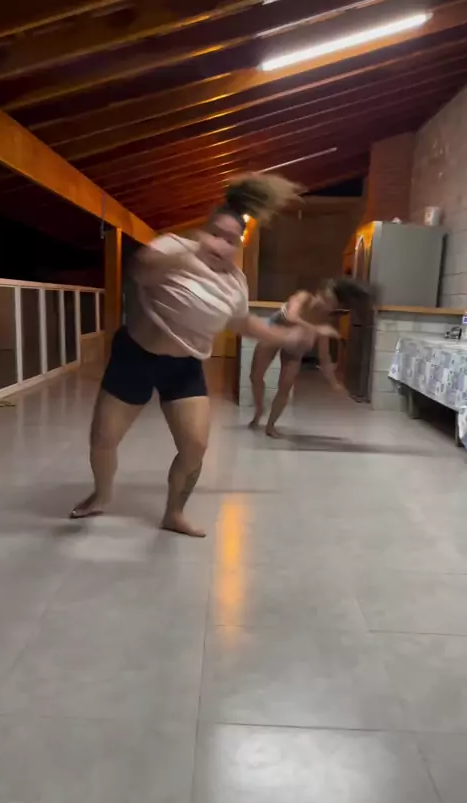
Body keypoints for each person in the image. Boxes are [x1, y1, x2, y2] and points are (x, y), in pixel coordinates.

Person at [70, 174, 337, 537]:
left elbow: (242, 323)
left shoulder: (235, 282)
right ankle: (101, 495)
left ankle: (174, 513)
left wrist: (288, 334)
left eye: (230, 240)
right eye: (215, 234)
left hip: (184, 366)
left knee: (195, 446)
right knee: (103, 439)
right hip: (135, 356)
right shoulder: (174, 248)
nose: (220, 245)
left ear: (238, 245)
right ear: (202, 231)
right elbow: (142, 268)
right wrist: (182, 259)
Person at [249, 278, 369, 438]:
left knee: (285, 385)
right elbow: (291, 317)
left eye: (330, 304)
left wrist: (334, 383)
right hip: (274, 332)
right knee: (256, 376)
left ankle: (270, 426)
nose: (324, 304)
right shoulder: (303, 297)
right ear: (319, 292)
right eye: (325, 298)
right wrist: (316, 329)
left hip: (295, 347)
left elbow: (324, 357)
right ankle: (259, 410)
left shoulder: (324, 320)